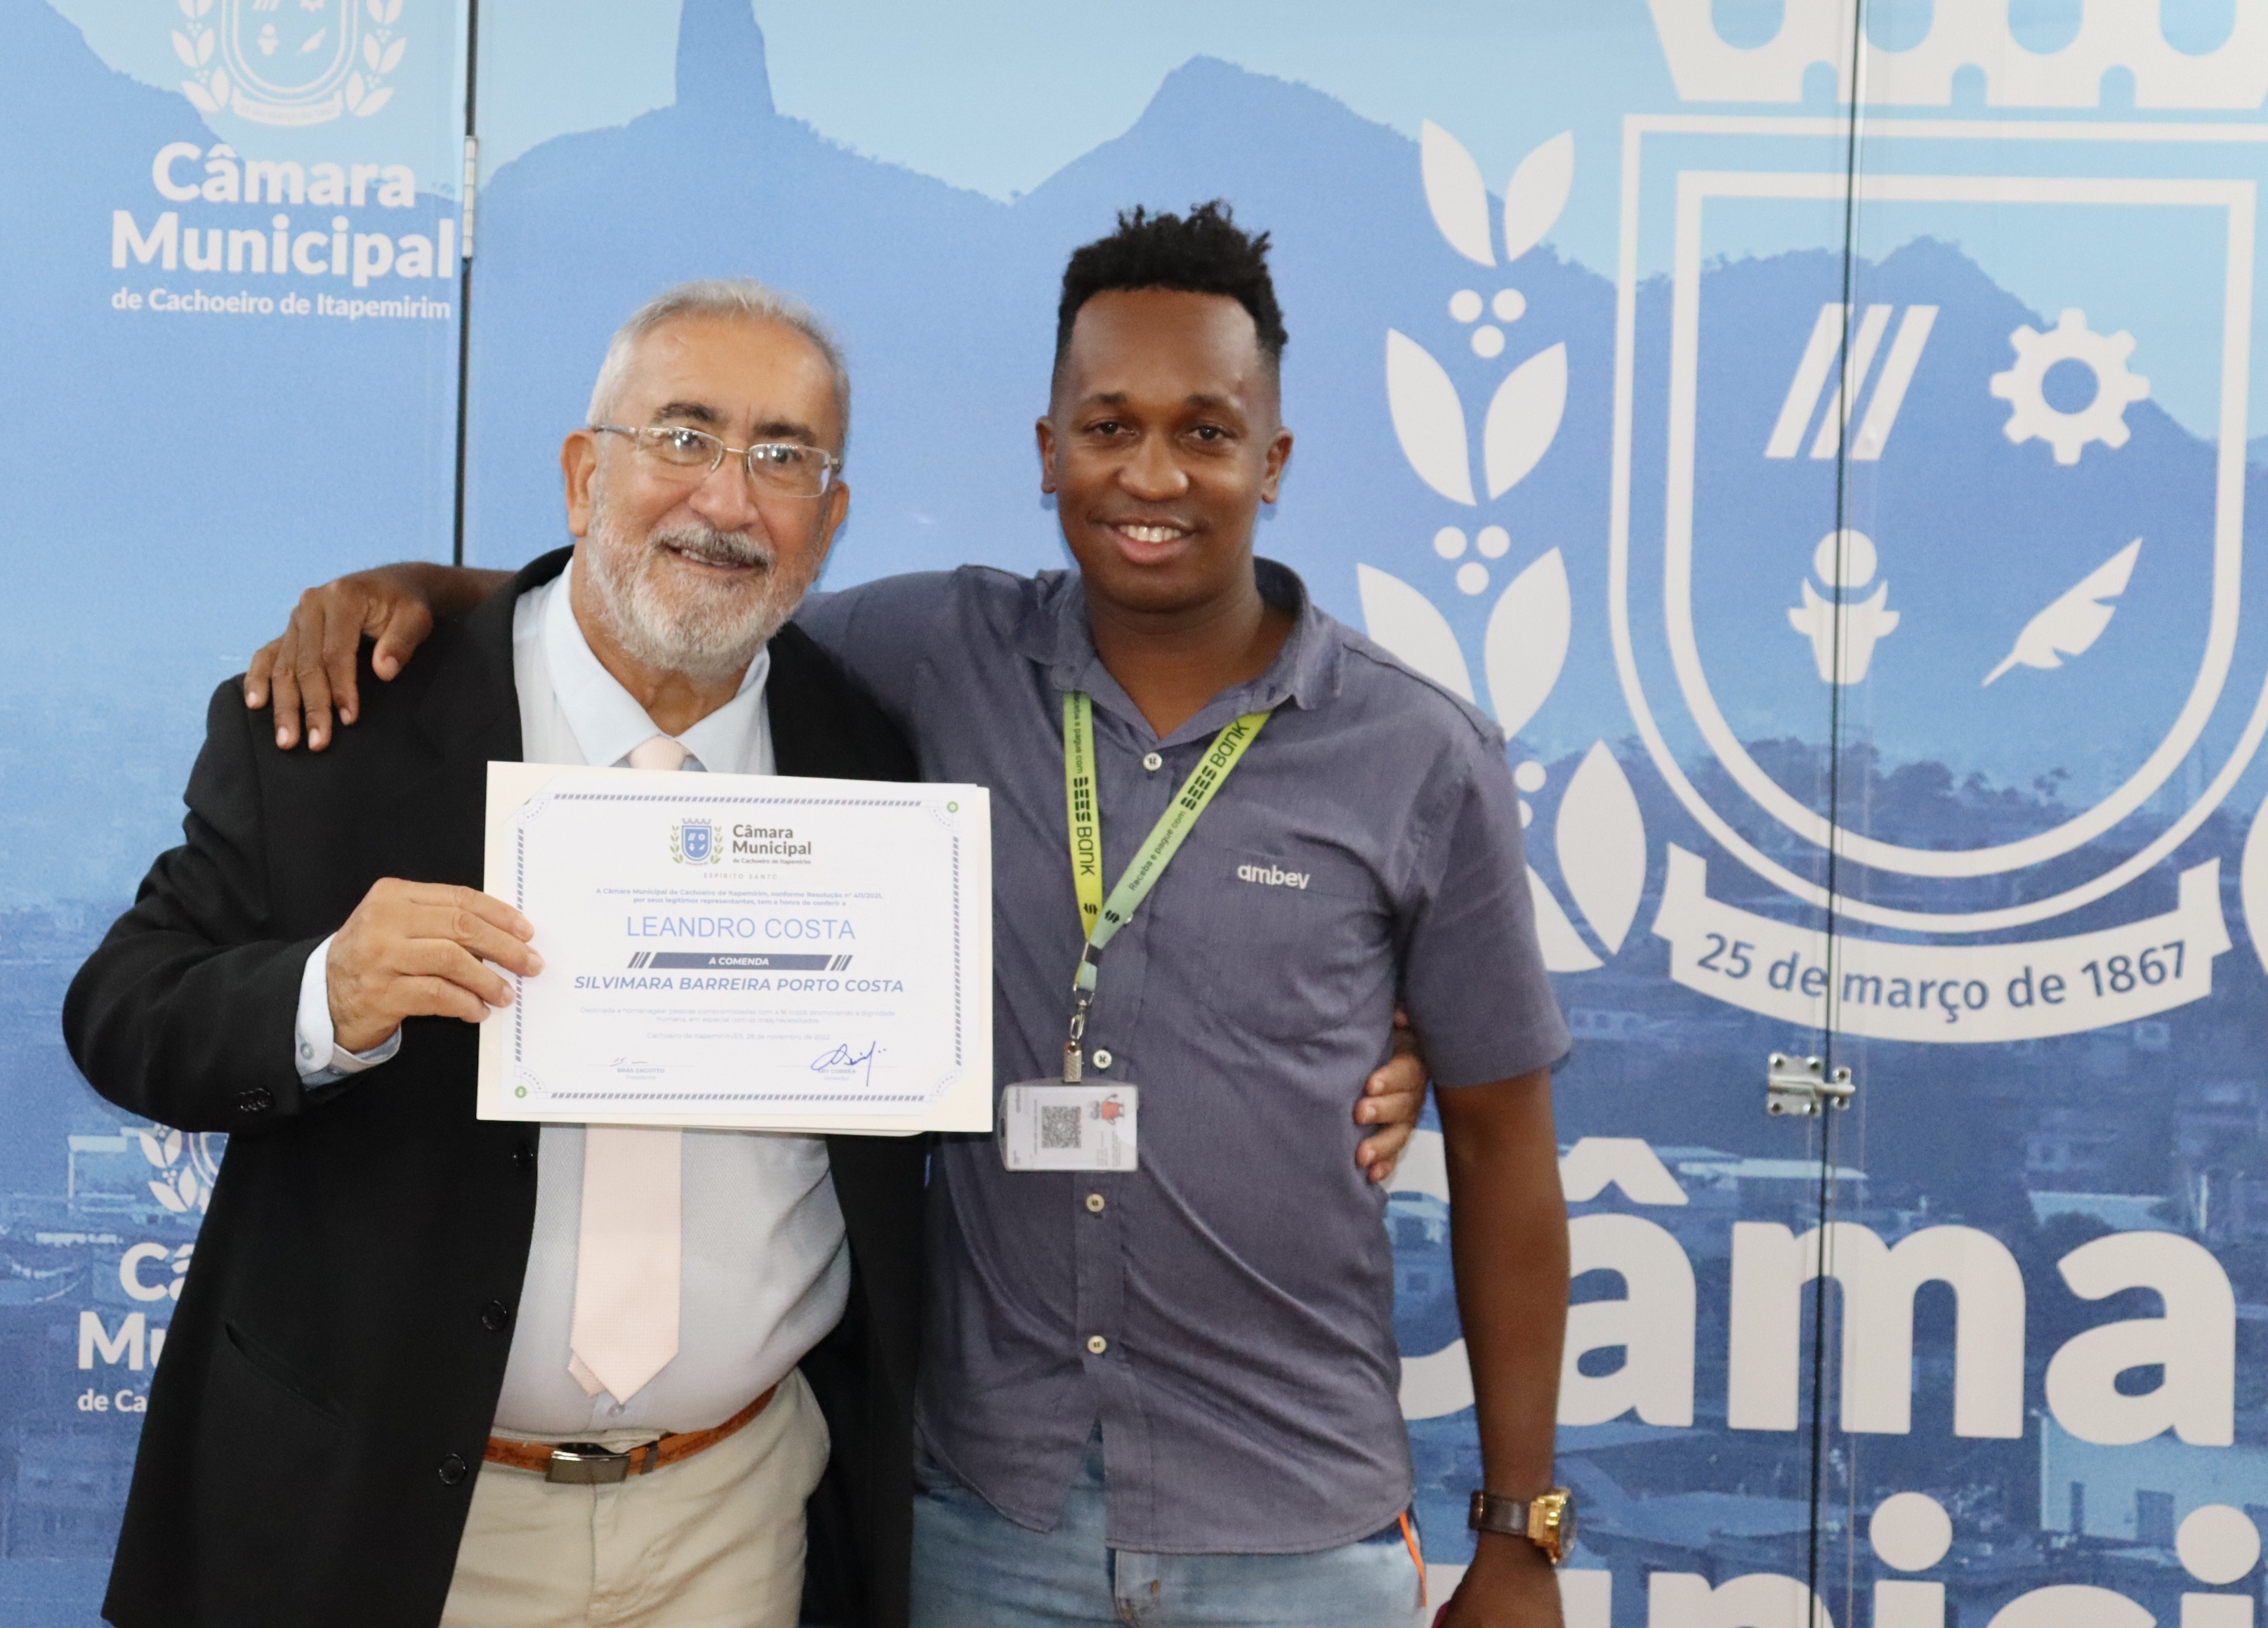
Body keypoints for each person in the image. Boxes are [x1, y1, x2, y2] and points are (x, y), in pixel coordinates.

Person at [247, 205, 1567, 1628]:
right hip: (986, 1523)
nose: (1153, 474)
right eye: (1108, 427)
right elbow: (682, 589)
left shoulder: (1418, 753)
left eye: (1206, 431)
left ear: (1275, 460)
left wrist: (1520, 1529)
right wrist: (421, 594)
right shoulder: (933, 653)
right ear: (1048, 449)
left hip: (1297, 1526)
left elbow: (1506, 1150)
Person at [65, 281, 940, 1628]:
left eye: (783, 458)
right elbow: (124, 1009)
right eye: (683, 437)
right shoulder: (345, 719)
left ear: (828, 523)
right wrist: (323, 995)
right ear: (585, 474)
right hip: (392, 1521)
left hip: (738, 1518)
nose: (726, 498)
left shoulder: (881, 762)